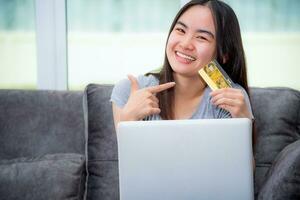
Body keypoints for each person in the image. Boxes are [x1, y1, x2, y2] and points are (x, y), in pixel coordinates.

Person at [110, 0, 254, 132]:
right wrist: (128, 120)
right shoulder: (128, 91)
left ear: (224, 54)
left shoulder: (231, 99)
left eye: (202, 37)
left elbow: (239, 161)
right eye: (180, 30)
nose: (185, 44)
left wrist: (243, 123)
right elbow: (129, 159)